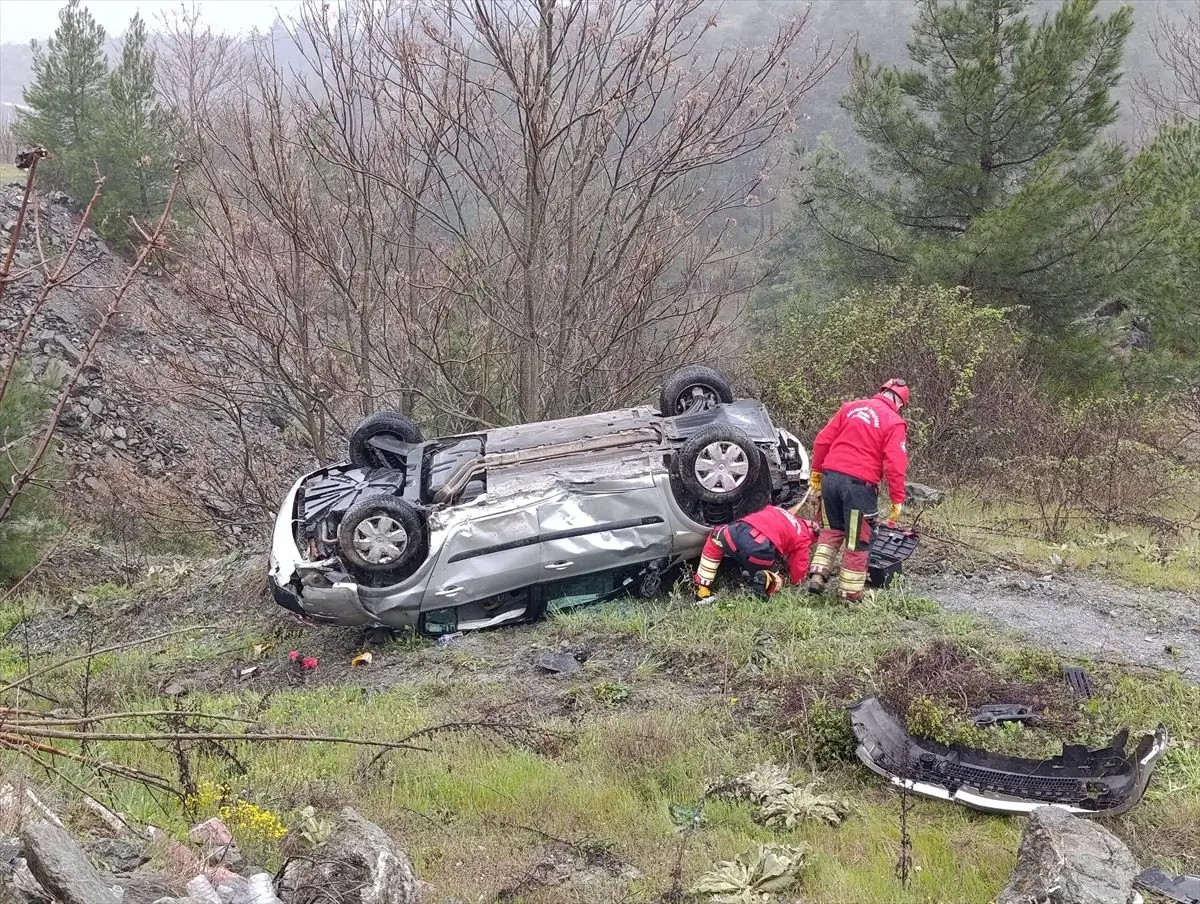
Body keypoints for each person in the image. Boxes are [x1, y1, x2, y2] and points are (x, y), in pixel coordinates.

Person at [805, 378, 910, 603]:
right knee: (858, 539)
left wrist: (816, 473)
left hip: (830, 478)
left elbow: (822, 440)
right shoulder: (894, 422)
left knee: (831, 529)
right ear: (901, 403)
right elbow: (895, 463)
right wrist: (897, 499)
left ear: (881, 391)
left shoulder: (850, 408)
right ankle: (850, 593)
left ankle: (817, 575)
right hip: (859, 486)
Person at [692, 501, 819, 601]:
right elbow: (798, 568)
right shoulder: (803, 538)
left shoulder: (778, 510)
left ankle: (702, 586)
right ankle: (765, 580)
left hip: (738, 533)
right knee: (776, 577)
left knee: (715, 538)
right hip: (760, 552)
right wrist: (798, 582)